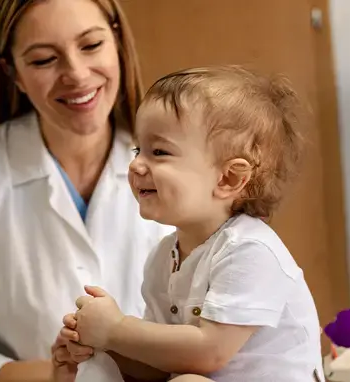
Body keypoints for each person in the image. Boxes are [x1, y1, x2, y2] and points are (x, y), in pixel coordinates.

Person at [0, 0, 172, 381]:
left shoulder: (181, 166)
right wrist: (55, 375)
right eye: (43, 60)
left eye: (90, 45)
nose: (77, 74)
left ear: (116, 40)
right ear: (12, 72)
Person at [57, 66, 325, 382]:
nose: (136, 164)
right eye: (137, 149)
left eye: (159, 152)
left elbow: (209, 353)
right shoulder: (162, 259)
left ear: (228, 178)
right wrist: (99, 345)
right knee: (100, 367)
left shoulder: (251, 251)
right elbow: (160, 366)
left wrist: (116, 329)